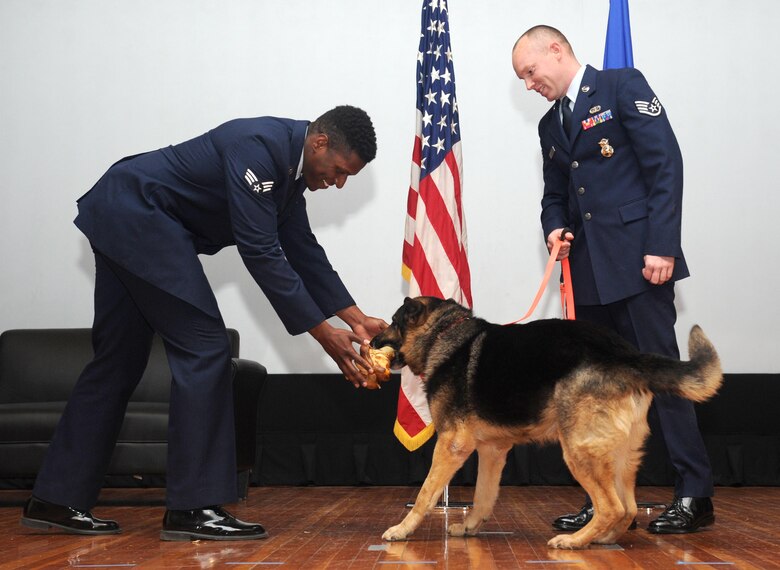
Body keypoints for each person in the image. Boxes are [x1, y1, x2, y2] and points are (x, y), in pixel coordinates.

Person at [20, 105, 387, 541]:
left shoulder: (289, 176)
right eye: (339, 170)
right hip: (140, 215)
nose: (338, 183)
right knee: (206, 348)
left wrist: (356, 317)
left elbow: (303, 251)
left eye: (349, 178)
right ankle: (193, 507)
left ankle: (56, 498)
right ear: (320, 142)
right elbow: (260, 251)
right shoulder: (260, 149)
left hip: (124, 215)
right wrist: (324, 335)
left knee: (117, 363)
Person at [511, 26, 715, 534]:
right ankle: (605, 500)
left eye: (530, 72)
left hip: (640, 262)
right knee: (598, 393)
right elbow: (554, 193)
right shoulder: (549, 123)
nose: (529, 84)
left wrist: (662, 245)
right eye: (522, 79)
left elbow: (665, 164)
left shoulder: (623, 86)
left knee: (662, 378)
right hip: (588, 276)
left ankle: (695, 493)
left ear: (555, 51)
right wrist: (554, 225)